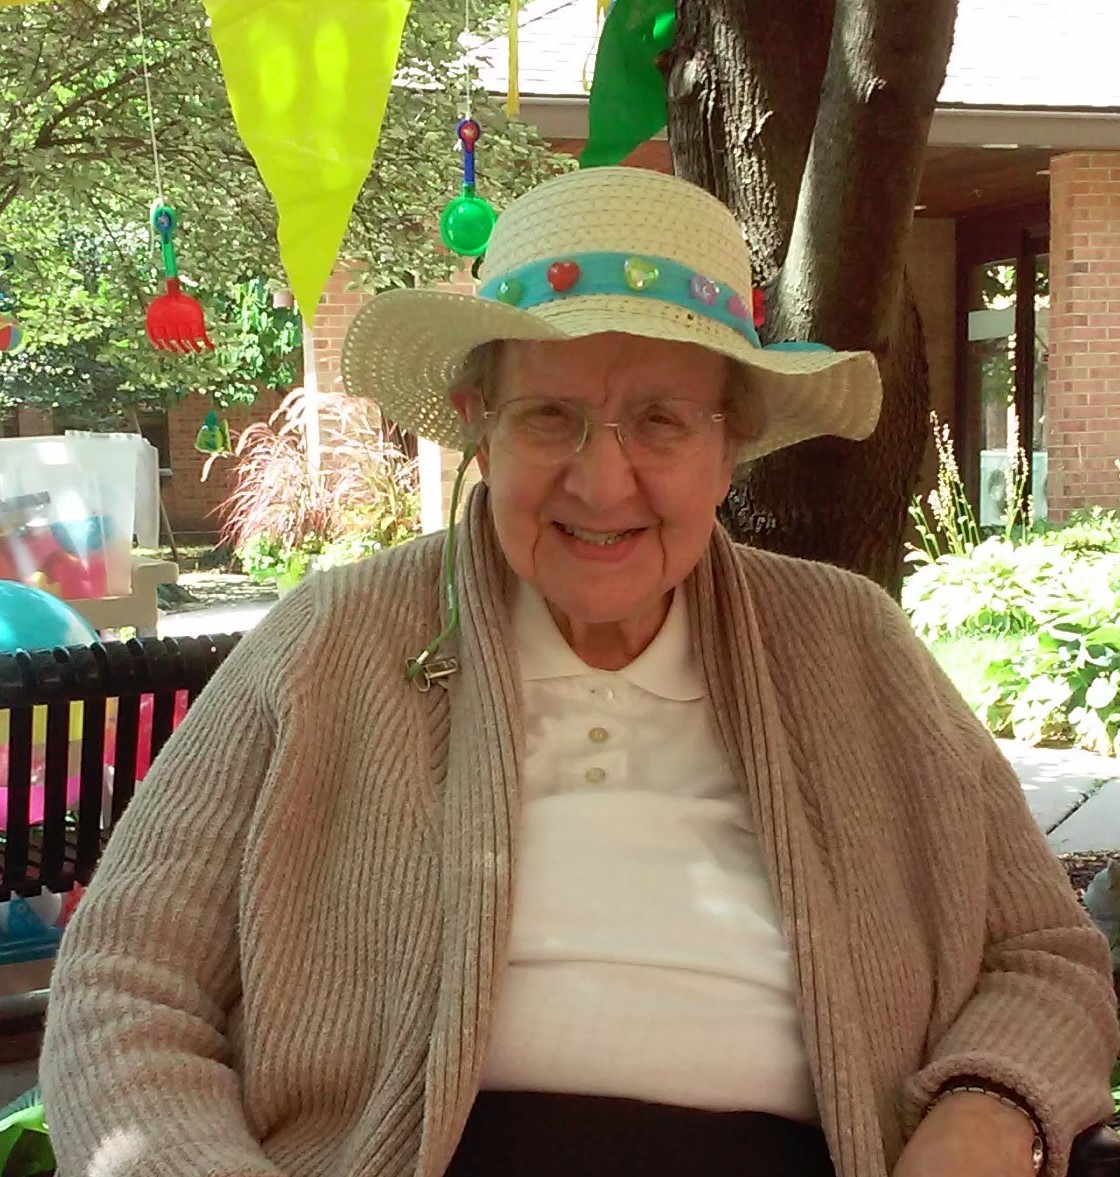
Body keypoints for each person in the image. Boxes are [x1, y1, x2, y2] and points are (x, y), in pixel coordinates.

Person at [41, 166, 1116, 1177]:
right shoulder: (333, 641)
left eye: (660, 420)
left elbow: (1045, 956)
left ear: (730, 440)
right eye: (550, 414)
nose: (603, 483)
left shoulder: (849, 643)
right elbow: (121, 986)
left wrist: (990, 1107)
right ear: (479, 422)